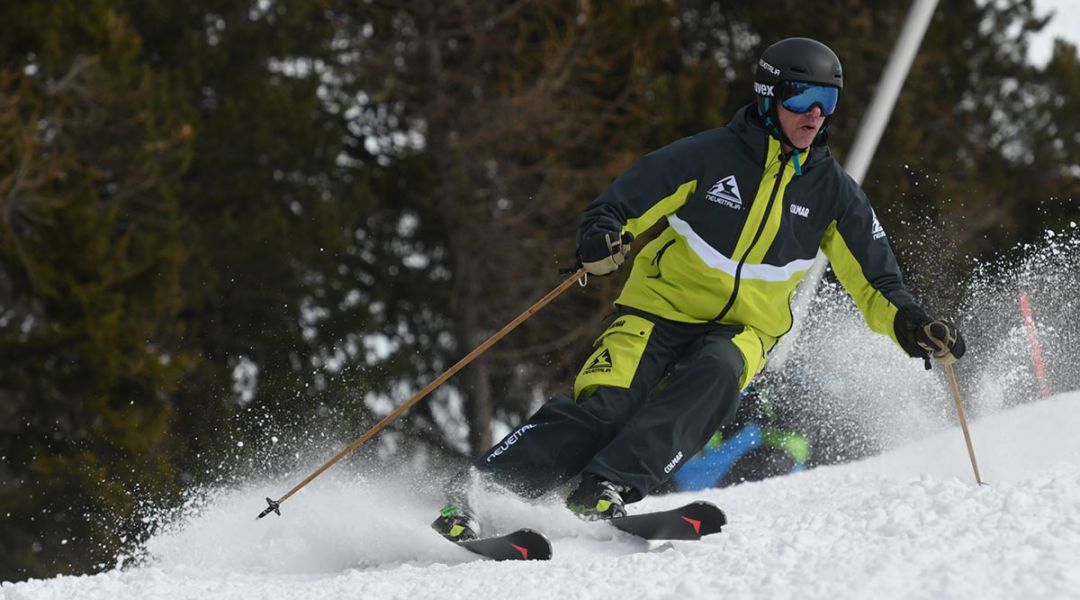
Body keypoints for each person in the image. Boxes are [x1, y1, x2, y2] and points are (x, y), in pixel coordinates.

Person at [431, 37, 966, 541]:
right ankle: (476, 493)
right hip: (659, 309)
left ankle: (606, 487)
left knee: (718, 372)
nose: (815, 114)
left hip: (746, 327)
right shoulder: (707, 157)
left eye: (828, 101)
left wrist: (912, 324)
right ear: (768, 96)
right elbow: (621, 204)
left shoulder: (834, 195)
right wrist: (602, 238)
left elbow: (877, 280)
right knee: (606, 406)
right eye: (803, 97)